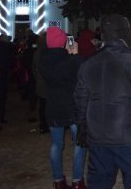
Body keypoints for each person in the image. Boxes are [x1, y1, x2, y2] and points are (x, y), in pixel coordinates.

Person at [74, 14, 131, 188]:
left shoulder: (89, 63)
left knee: (100, 181)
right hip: (128, 134)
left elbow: (81, 100)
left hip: (98, 134)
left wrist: (83, 127)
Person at [39, 26, 87, 189]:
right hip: (72, 105)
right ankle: (77, 180)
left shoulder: (43, 60)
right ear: (63, 42)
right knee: (79, 142)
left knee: (55, 144)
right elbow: (82, 77)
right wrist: (75, 55)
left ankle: (58, 180)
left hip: (53, 105)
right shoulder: (72, 60)